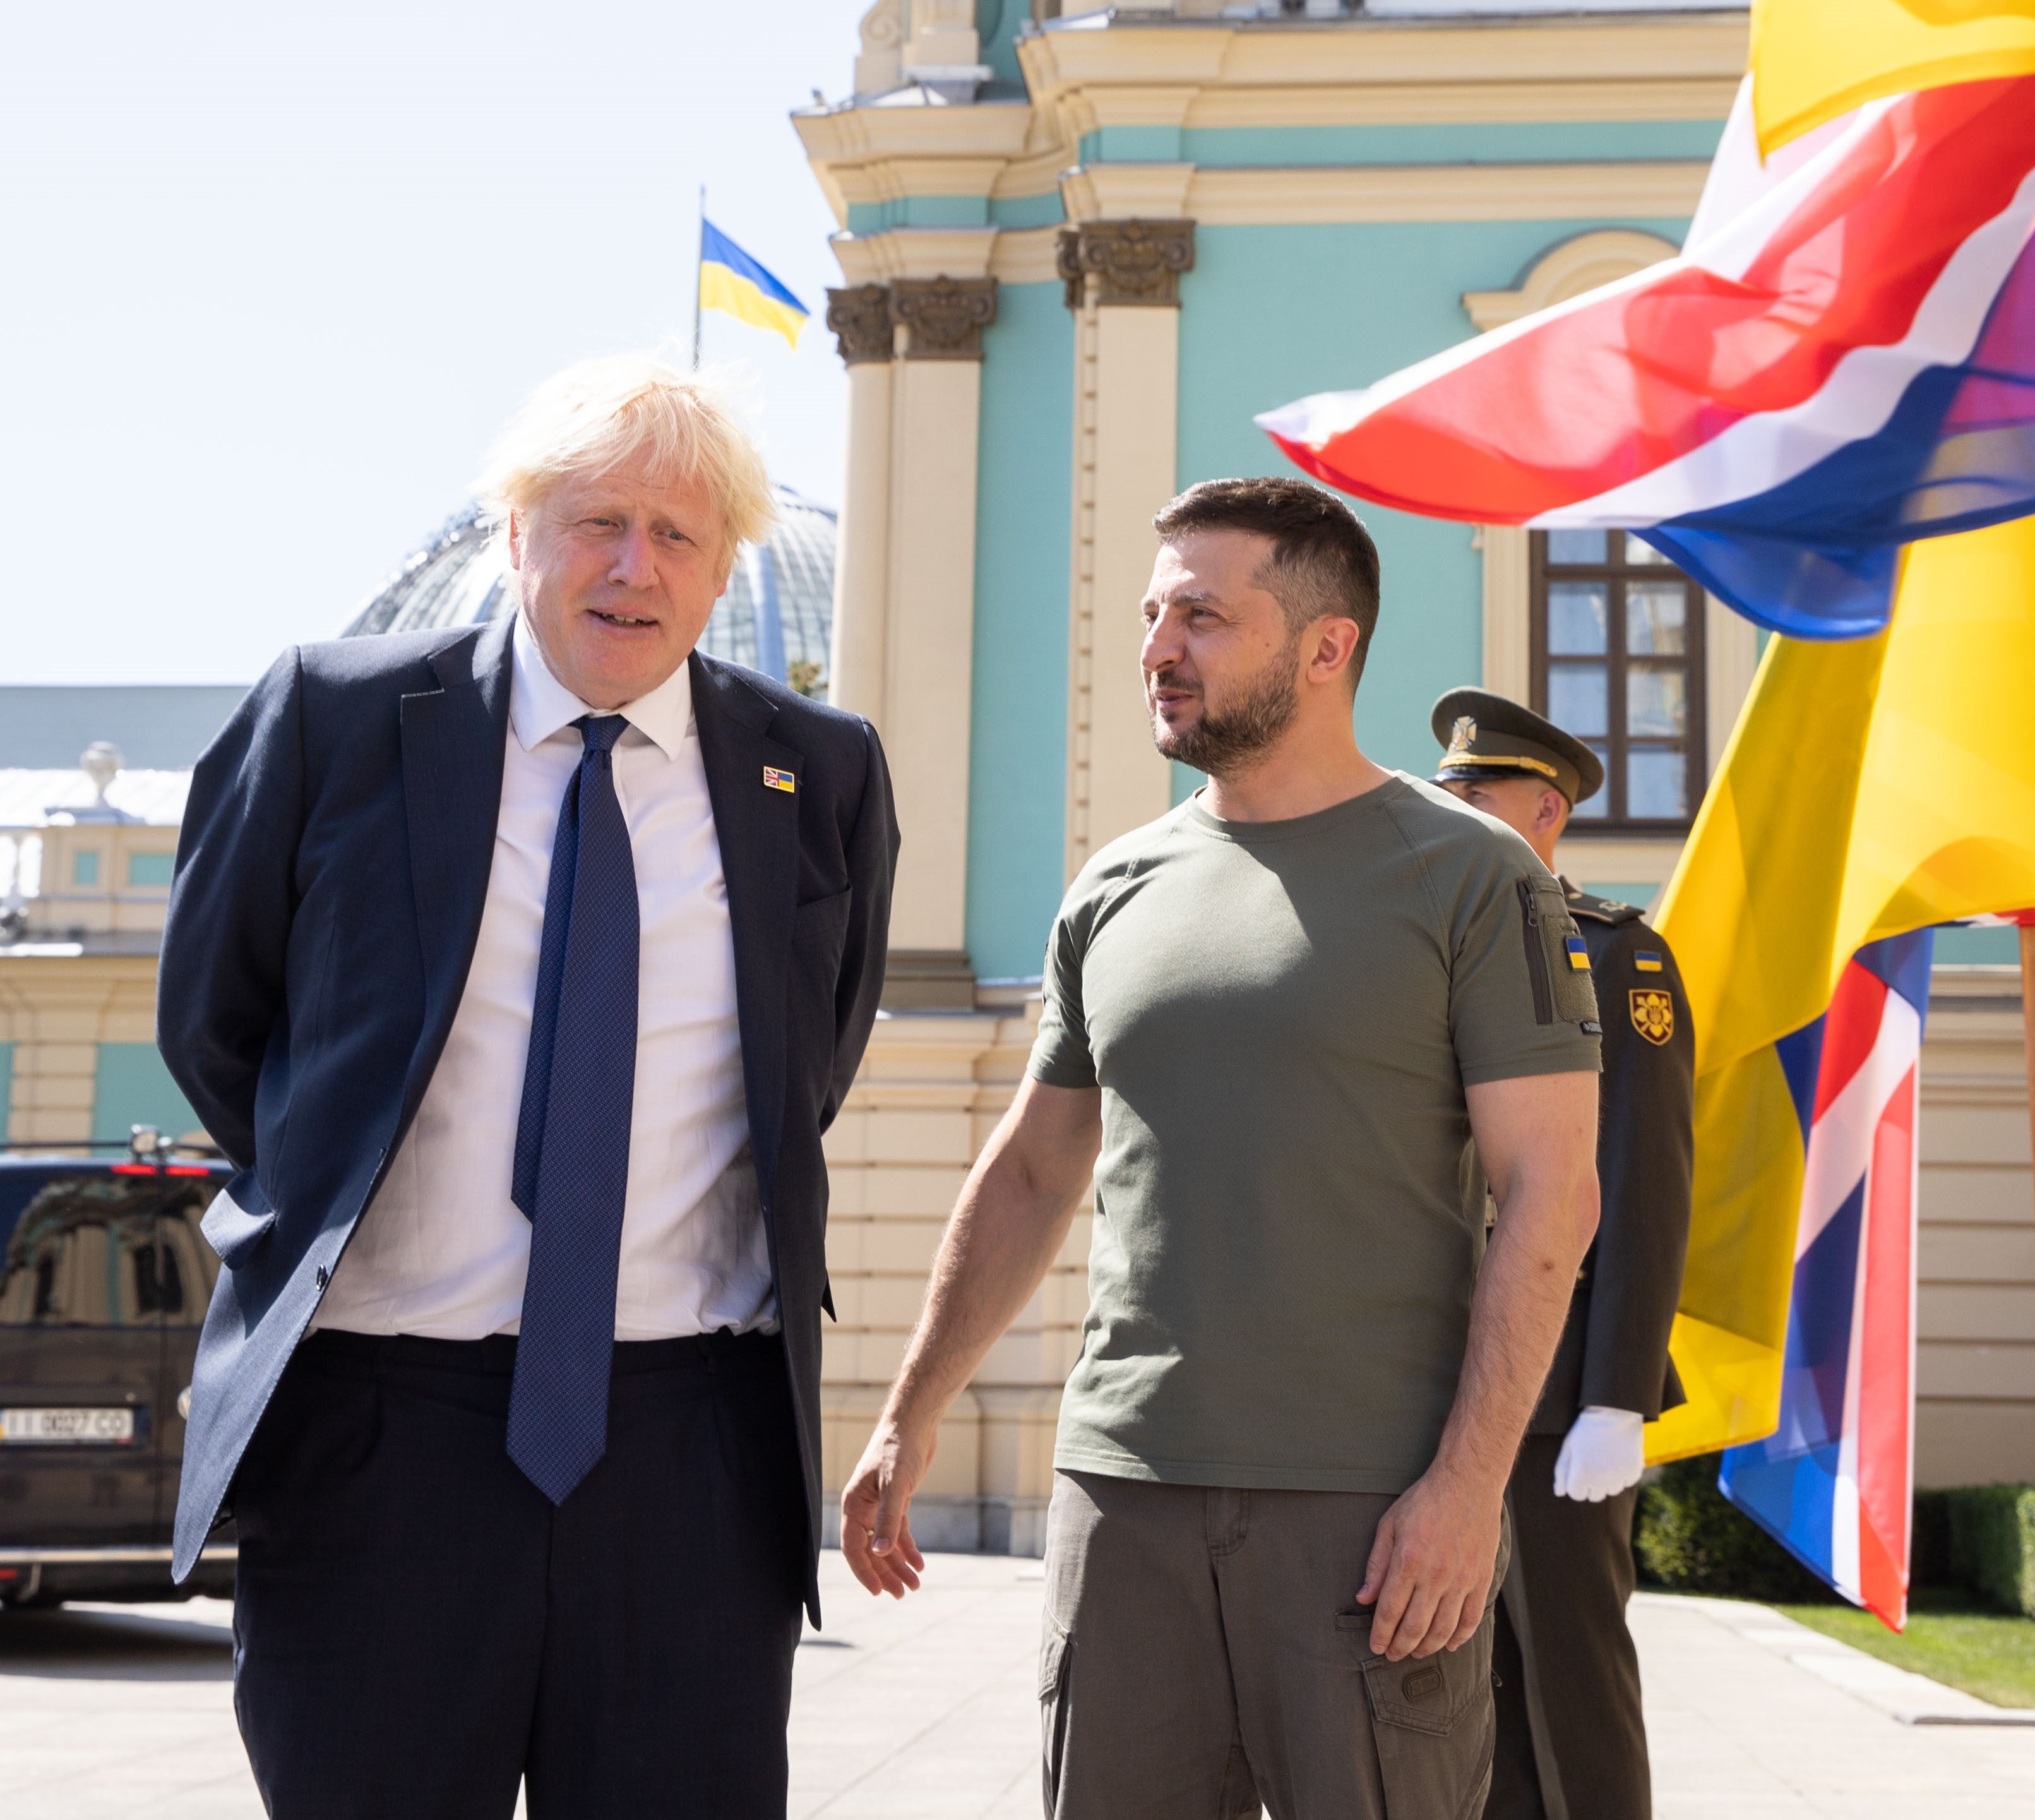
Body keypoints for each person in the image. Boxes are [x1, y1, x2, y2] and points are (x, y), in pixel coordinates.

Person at [156, 361, 898, 1819]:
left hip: (692, 1457)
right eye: (598, 521)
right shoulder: (334, 720)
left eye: (681, 536)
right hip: (383, 1442)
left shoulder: (818, 771)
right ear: (516, 535)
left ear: (725, 564)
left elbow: (808, 1063)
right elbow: (217, 1026)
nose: (636, 568)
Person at [841, 477, 1604, 1820]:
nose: (1155, 646)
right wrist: (908, 1419)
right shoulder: (1111, 888)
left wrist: (1466, 1487)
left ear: (1327, 646)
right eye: (1150, 613)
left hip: (1369, 1517)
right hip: (1123, 1505)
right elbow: (1030, 1168)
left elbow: (1552, 1193)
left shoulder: (1478, 877)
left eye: (1201, 613)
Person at [1427, 688, 1693, 1820]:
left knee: (1568, 1676)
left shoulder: (1612, 956)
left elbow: (1645, 1179)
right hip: (1430, 1375)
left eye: (1474, 797)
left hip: (1555, 1395)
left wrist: (1617, 1395)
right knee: (1452, 1680)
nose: (1452, 815)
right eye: (1446, 797)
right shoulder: (1424, 942)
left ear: (1543, 811)